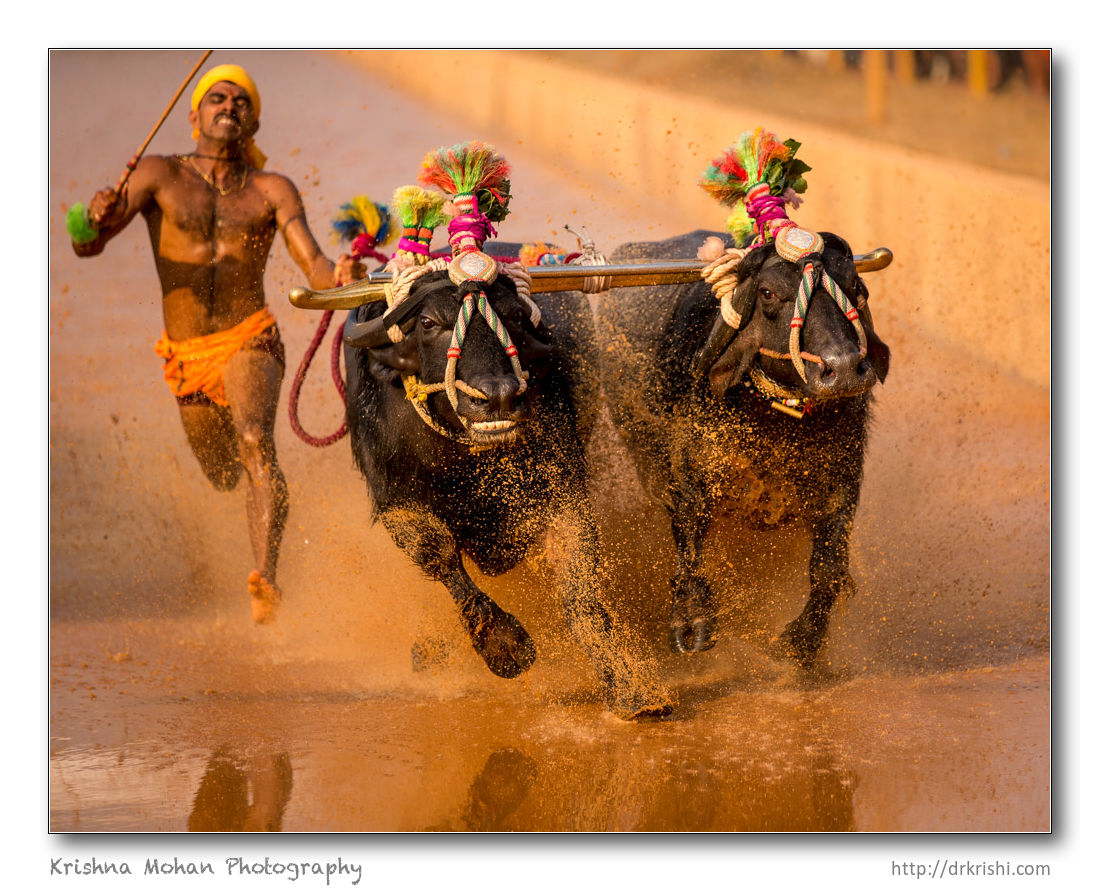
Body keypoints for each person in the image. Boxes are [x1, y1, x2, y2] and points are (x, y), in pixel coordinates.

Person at [70, 63, 361, 624]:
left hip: (250, 336)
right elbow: (89, 246)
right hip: (187, 357)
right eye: (217, 98)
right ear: (194, 114)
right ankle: (248, 548)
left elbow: (317, 267)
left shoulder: (271, 189)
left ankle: (266, 582)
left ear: (253, 122)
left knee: (255, 441)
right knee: (223, 472)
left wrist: (342, 274)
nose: (229, 106)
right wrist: (91, 216)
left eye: (240, 102)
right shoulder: (157, 174)